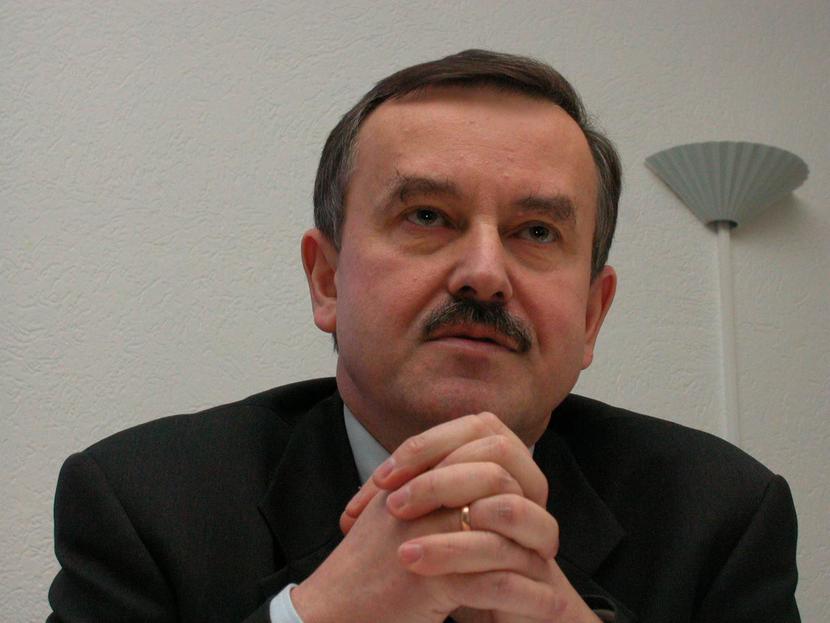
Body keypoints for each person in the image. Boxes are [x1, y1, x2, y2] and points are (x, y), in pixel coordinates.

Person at [47, 50, 800, 623]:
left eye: (537, 231)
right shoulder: (145, 504)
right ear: (327, 280)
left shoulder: (719, 518)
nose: (484, 274)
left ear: (591, 317)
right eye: (428, 216)